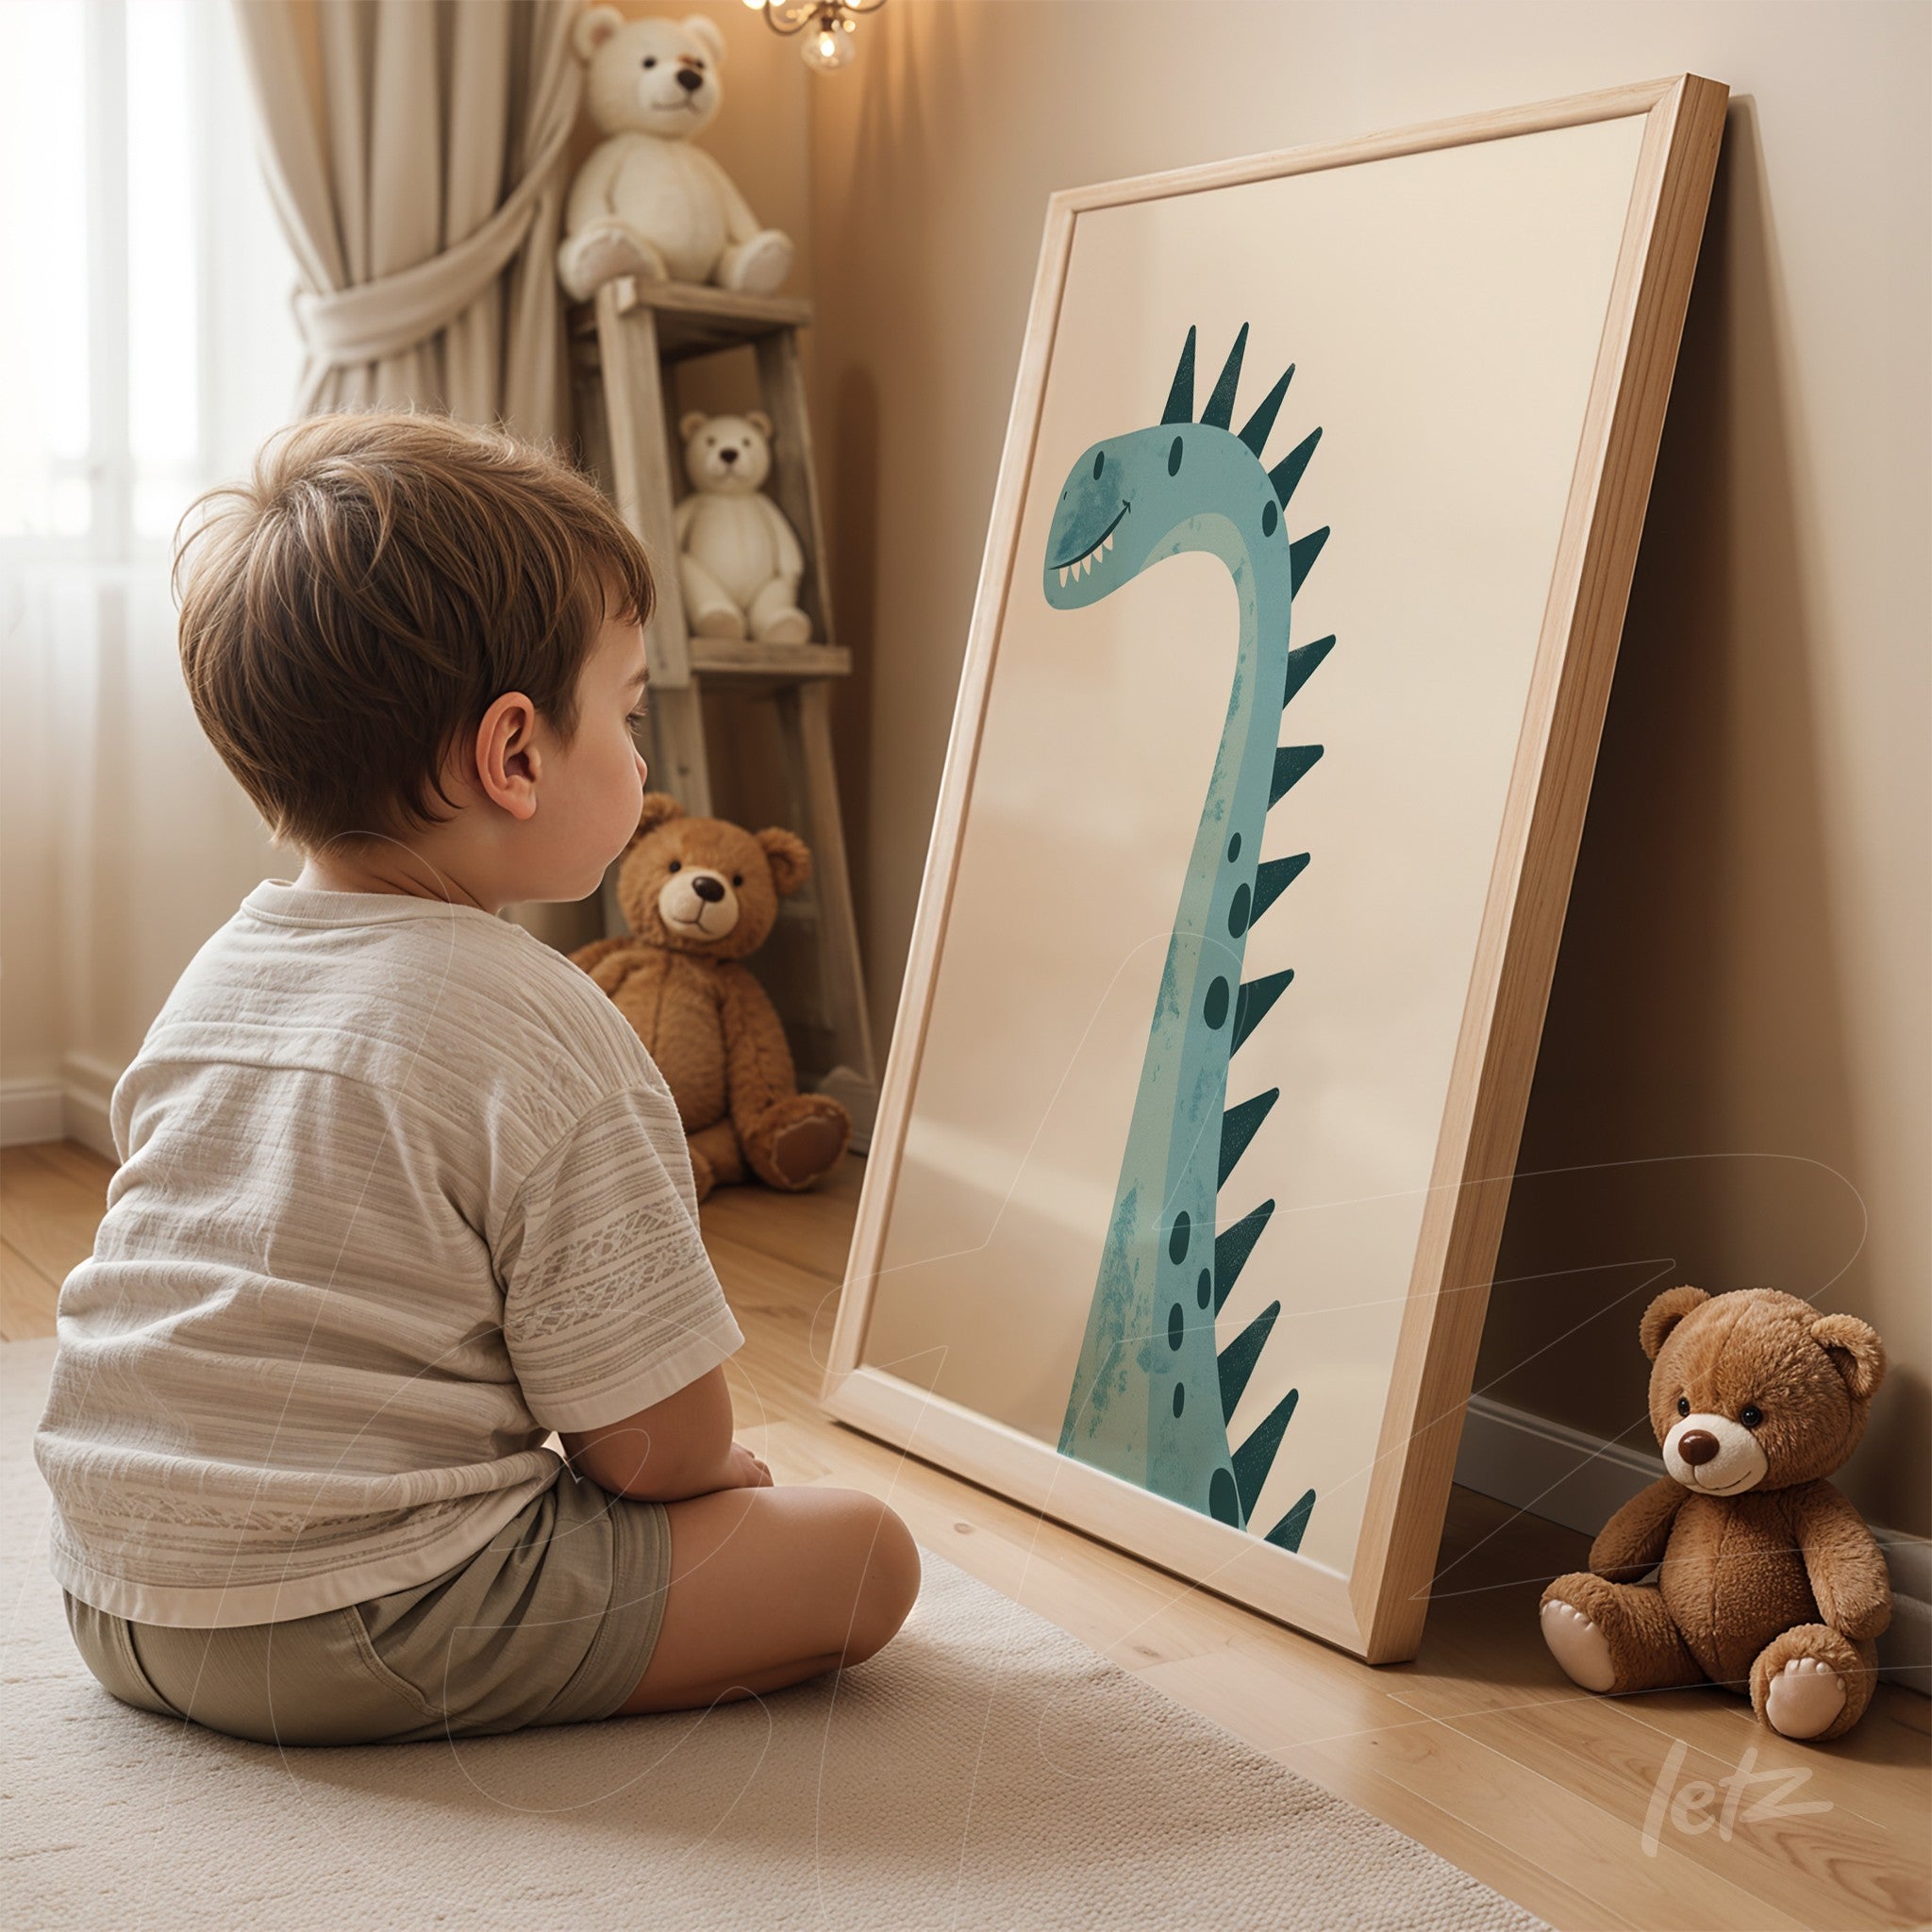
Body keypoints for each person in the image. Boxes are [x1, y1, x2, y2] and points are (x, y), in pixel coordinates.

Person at [32, 408, 920, 1746]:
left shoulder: (221, 973)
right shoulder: (543, 1023)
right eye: (626, 717)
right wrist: (717, 1479)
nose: (642, 762)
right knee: (865, 1554)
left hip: (113, 1594)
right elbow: (649, 1450)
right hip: (348, 1618)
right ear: (513, 757)